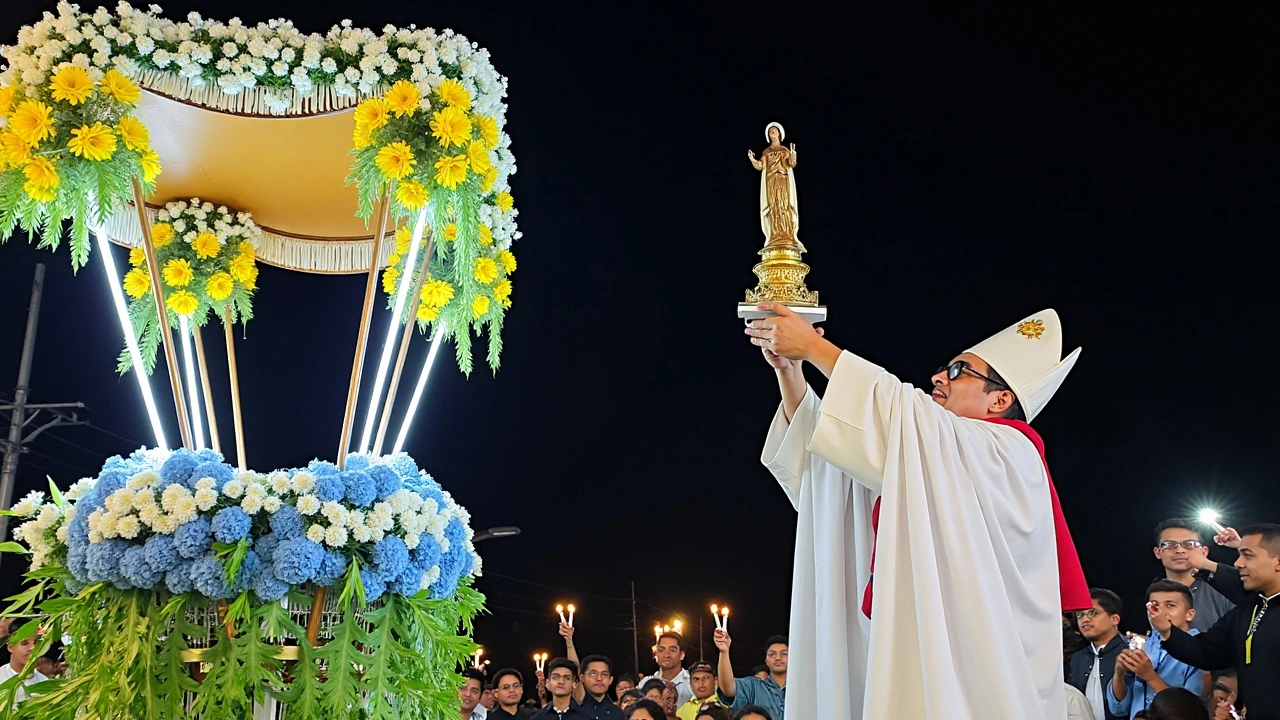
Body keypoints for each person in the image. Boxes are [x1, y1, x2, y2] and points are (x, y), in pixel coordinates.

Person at [748, 306, 1089, 720]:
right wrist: (792, 372)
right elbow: (840, 465)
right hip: (915, 639)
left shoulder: (1011, 454)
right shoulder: (930, 458)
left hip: (978, 662)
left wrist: (816, 347)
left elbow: (903, 417)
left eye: (959, 370)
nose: (938, 377)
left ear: (1000, 399)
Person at [1151, 524, 1280, 720]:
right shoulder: (1248, 610)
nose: (1237, 563)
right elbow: (1208, 652)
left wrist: (1208, 565)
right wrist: (1167, 631)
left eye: (1248, 555)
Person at [1108, 581, 1208, 719]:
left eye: (1170, 605)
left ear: (1189, 614)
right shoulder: (1144, 645)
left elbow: (1189, 713)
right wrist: (1119, 674)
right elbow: (1118, 709)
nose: (1159, 612)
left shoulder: (1200, 650)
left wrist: (1150, 676)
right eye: (1154, 606)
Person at [1152, 519, 1236, 632]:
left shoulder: (1223, 590)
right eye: (1170, 545)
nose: (1179, 550)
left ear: (1204, 551)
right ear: (1158, 552)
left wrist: (1240, 545)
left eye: (1188, 544)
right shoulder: (1153, 594)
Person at [1069, 589, 1128, 720]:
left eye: (1093, 613)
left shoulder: (1130, 652)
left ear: (1115, 619)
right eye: (1080, 615)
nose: (1085, 619)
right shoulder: (1077, 659)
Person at [712, 630, 785, 720]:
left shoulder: (804, 690)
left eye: (784, 653)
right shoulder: (754, 686)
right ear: (766, 660)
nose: (778, 657)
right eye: (772, 654)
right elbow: (728, 689)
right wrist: (724, 652)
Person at [557, 623, 623, 719]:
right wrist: (569, 642)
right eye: (593, 674)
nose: (599, 678)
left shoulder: (618, 712)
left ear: (610, 679)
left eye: (604, 674)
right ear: (582, 678)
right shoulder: (579, 705)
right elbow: (574, 669)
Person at [641, 633, 691, 707]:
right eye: (661, 650)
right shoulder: (646, 683)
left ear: (681, 655)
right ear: (656, 654)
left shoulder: (692, 682)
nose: (666, 655)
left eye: (672, 650)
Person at [0, 630, 47, 707]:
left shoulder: (45, 682)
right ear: (10, 647)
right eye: (25, 643)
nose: (32, 647)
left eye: (36, 642)